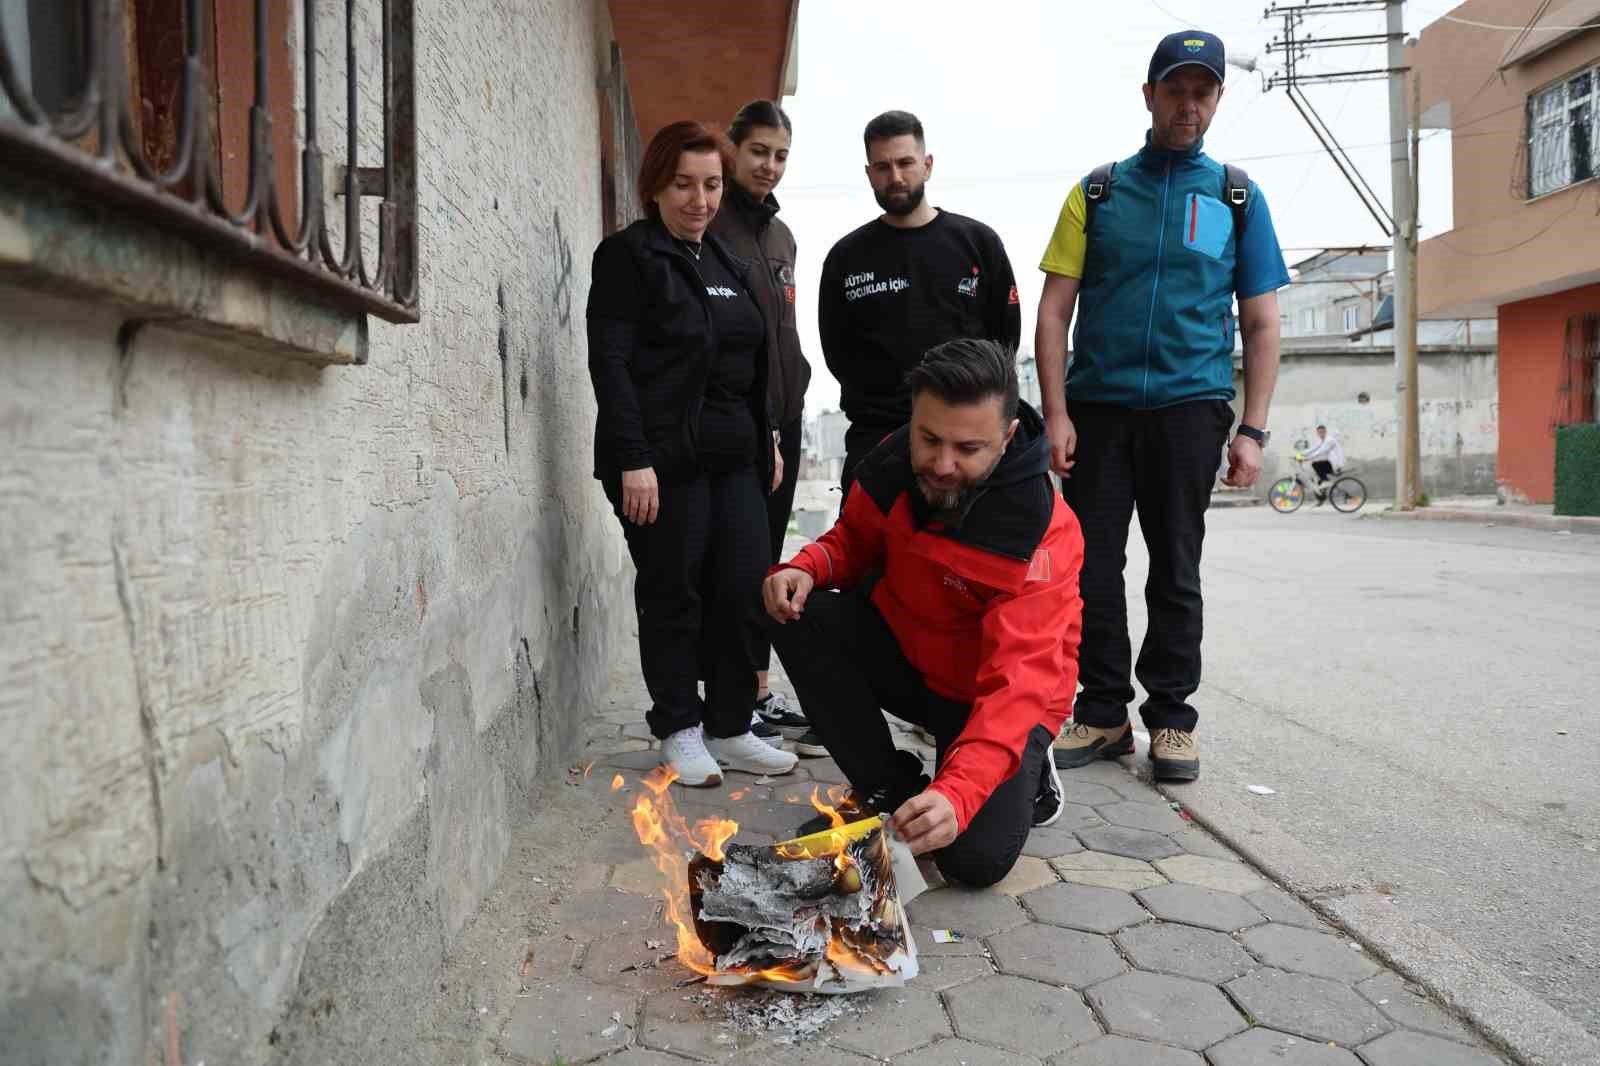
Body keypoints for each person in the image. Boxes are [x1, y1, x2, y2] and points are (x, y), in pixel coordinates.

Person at [1034, 29, 1290, 782]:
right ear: (1149, 96)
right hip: (1100, 408)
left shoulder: (1236, 196)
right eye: (1175, 88)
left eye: (1202, 90)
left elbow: (1262, 319)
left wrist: (1252, 428)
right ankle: (1104, 711)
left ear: (1217, 98)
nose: (1189, 102)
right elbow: (1054, 312)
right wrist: (1056, 413)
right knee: (1093, 568)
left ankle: (1173, 721)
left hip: (1190, 406)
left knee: (1176, 568)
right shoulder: (1100, 191)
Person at [760, 338, 1083, 887]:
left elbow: (1018, 685)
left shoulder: (1041, 535)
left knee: (971, 864)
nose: (941, 464)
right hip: (915, 665)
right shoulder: (890, 466)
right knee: (793, 605)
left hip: (996, 700)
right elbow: (854, 541)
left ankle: (1028, 767)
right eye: (929, 438)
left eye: (968, 448)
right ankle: (888, 786)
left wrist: (956, 795)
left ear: (1006, 439)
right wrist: (809, 565)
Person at [587, 121, 798, 787]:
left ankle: (731, 725)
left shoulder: (727, 262)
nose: (699, 200)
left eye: (710, 184)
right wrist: (632, 457)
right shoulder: (629, 256)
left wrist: (767, 434)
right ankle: (680, 727)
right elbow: (611, 363)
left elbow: (751, 359)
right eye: (683, 184)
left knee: (741, 587)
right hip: (660, 461)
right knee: (673, 591)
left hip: (734, 457)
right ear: (656, 185)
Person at [818, 110, 1021, 499]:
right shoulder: (846, 257)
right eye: (883, 166)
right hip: (876, 442)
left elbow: (1004, 342)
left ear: (927, 165)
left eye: (905, 163)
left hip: (964, 444)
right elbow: (838, 354)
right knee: (869, 557)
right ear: (868, 173)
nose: (895, 177)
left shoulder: (978, 243)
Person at [708, 99, 813, 746]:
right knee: (734, 566)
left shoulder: (781, 237)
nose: (769, 166)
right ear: (732, 148)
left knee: (767, 563)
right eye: (758, 152)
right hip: (737, 425)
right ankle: (727, 701)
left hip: (787, 416)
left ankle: (758, 690)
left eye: (780, 156)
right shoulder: (709, 224)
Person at [1300, 424, 1345, 503]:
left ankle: (1326, 481)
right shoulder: (1321, 440)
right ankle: (1321, 498)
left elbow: (1321, 451)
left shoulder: (1329, 440)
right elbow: (1313, 448)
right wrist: (1300, 454)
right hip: (1328, 462)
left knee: (1315, 464)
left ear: (1325, 432)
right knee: (1316, 480)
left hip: (1335, 463)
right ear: (1317, 433)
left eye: (1322, 432)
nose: (1321, 434)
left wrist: (1307, 458)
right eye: (1319, 432)